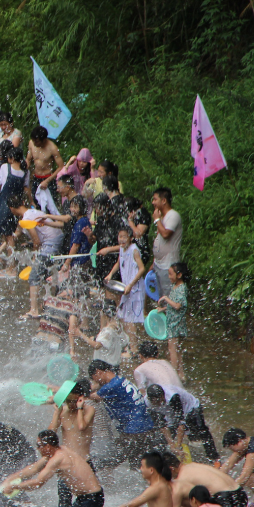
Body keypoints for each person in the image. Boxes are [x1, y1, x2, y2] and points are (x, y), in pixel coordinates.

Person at [2, 429, 104, 507]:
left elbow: (38, 483)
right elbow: (34, 468)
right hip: (84, 497)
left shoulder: (57, 459)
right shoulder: (58, 450)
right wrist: (11, 478)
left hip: (92, 498)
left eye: (39, 445)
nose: (37, 448)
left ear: (48, 446)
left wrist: (14, 486)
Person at [88, 360, 160, 465]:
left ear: (98, 372)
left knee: (113, 461)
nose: (97, 383)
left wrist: (78, 392)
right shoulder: (120, 380)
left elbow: (94, 397)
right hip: (145, 426)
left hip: (134, 429)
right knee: (141, 463)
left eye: (96, 380)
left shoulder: (111, 386)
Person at [164, 452, 247, 507]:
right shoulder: (192, 465)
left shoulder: (182, 479)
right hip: (239, 492)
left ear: (171, 469)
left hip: (224, 497)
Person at [47, 380, 95, 507]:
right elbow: (51, 434)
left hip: (84, 461)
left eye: (74, 401)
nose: (71, 404)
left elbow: (81, 427)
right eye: (68, 401)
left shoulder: (89, 409)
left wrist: (79, 409)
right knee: (63, 503)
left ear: (81, 398)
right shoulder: (63, 411)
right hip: (66, 464)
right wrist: (57, 413)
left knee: (92, 500)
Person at [145, 385, 218, 462]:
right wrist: (172, 445)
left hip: (190, 407)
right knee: (161, 441)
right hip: (170, 413)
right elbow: (162, 426)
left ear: (163, 396)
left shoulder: (173, 396)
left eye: (159, 401)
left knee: (201, 431)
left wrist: (178, 447)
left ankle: (214, 458)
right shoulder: (147, 403)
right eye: (156, 403)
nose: (158, 404)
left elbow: (181, 424)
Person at [106, 226, 146, 354]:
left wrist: (130, 285)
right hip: (126, 287)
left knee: (131, 318)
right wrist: (110, 274)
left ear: (131, 238)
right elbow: (118, 263)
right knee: (123, 315)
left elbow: (142, 269)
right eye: (120, 236)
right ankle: (129, 345)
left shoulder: (134, 250)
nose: (121, 239)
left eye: (124, 236)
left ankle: (133, 349)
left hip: (135, 288)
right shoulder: (122, 249)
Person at [159, 262, 190, 379]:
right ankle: (181, 374)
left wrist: (166, 299)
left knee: (172, 349)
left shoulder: (182, 288)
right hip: (174, 322)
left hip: (176, 324)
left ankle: (173, 376)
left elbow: (177, 306)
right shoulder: (175, 286)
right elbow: (174, 305)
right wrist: (163, 309)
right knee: (178, 350)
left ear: (179, 275)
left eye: (171, 274)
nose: (169, 276)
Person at [151, 188, 182, 298]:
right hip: (159, 265)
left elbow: (165, 234)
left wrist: (156, 220)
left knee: (168, 299)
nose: (152, 202)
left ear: (164, 200)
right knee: (161, 298)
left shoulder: (173, 215)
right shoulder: (163, 216)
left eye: (155, 199)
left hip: (168, 266)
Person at [26, 125, 64, 203]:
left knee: (50, 204)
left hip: (48, 178)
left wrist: (47, 180)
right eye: (33, 140)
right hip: (36, 178)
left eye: (36, 141)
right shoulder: (31, 143)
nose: (34, 143)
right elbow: (28, 159)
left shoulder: (52, 148)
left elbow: (61, 166)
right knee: (35, 202)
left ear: (44, 140)